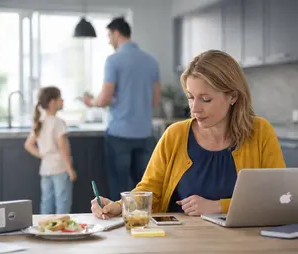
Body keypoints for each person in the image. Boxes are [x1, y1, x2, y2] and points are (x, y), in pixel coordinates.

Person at [90, 50, 286, 219]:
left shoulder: (260, 132)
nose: (195, 109)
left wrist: (218, 206)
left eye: (206, 99)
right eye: (191, 97)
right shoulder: (175, 135)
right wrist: (119, 206)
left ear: (233, 96)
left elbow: (278, 197)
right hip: (181, 241)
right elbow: (150, 190)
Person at [83, 17, 161, 201]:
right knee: (143, 189)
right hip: (144, 134)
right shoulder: (151, 61)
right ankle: (142, 226)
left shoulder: (114, 60)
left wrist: (90, 102)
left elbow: (104, 98)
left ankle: (119, 227)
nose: (109, 40)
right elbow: (155, 101)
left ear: (117, 33)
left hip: (120, 135)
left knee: (119, 188)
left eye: (109, 36)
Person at [24, 86, 77, 214]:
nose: (63, 101)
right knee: (62, 202)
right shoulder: (58, 122)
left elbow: (28, 145)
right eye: (60, 98)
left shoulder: (40, 122)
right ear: (53, 102)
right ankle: (62, 230)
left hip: (46, 169)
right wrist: (70, 169)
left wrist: (43, 155)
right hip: (60, 168)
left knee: (46, 202)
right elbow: (63, 148)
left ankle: (45, 229)